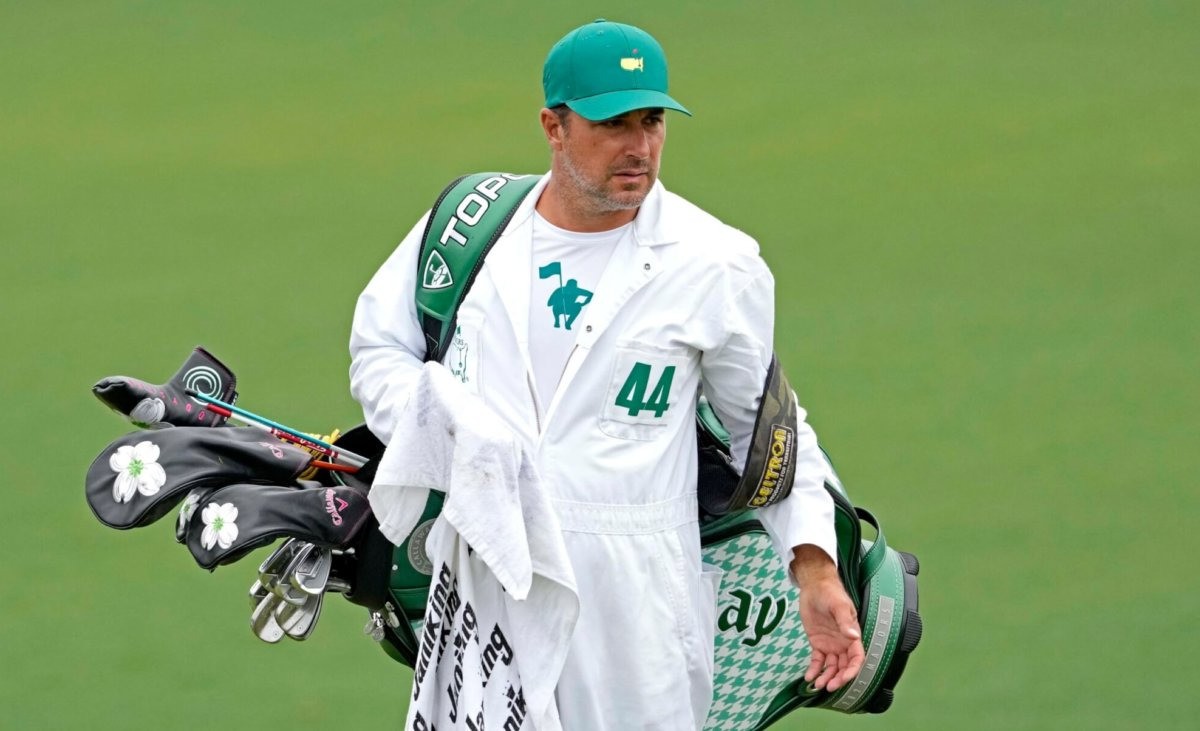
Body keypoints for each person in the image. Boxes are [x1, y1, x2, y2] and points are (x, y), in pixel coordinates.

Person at [349, 18, 864, 729]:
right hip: (486, 585)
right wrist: (451, 430)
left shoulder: (716, 263)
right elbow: (379, 351)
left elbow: (767, 431)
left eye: (652, 121)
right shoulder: (471, 227)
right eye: (612, 123)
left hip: (637, 616)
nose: (639, 146)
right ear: (553, 127)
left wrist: (815, 565)